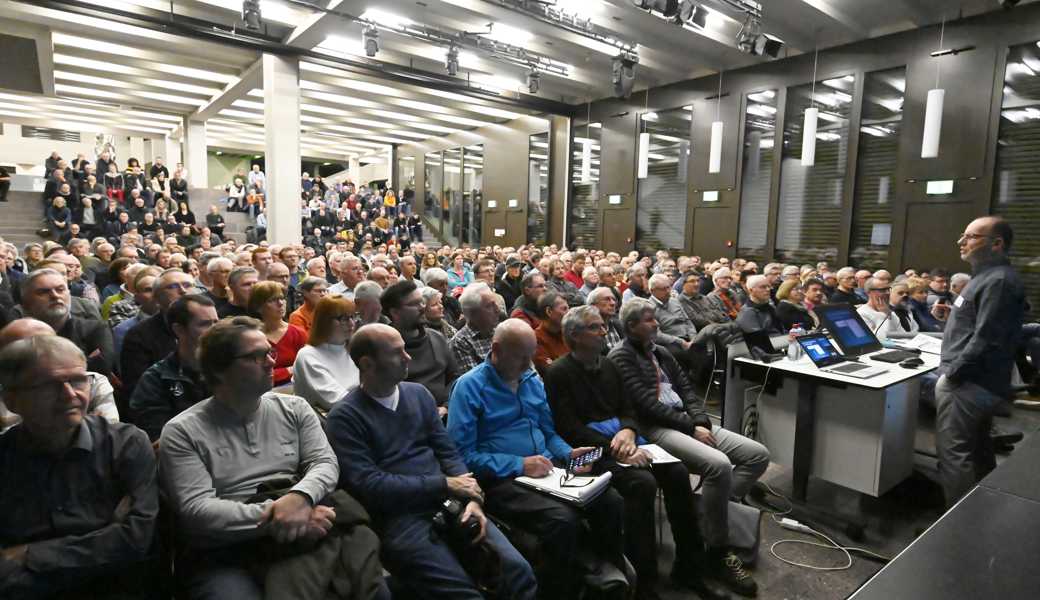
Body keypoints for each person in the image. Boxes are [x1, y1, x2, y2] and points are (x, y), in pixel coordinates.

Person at [159, 317, 387, 600]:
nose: (270, 362)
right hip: (229, 548)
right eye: (255, 357)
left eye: (269, 352)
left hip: (308, 522)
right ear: (219, 369)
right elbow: (198, 511)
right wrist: (286, 516)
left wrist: (300, 498)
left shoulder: (294, 407)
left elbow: (324, 464)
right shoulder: (183, 431)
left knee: (370, 588)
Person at [326, 323, 536, 600]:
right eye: (397, 353)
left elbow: (447, 452)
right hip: (401, 518)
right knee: (464, 595)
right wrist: (445, 484)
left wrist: (473, 498)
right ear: (367, 363)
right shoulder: (345, 417)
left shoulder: (418, 394)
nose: (408, 357)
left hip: (451, 503)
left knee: (519, 573)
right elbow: (369, 484)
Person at [544, 306, 727, 600]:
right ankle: (645, 581)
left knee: (678, 472)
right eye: (595, 328)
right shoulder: (558, 372)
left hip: (625, 439)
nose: (604, 331)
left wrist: (628, 432)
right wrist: (616, 448)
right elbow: (567, 427)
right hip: (585, 451)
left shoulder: (608, 365)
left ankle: (689, 569)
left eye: (603, 326)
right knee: (642, 484)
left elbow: (628, 409)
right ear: (575, 336)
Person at [447, 319, 625, 598]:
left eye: (531, 355)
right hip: (502, 478)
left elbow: (547, 431)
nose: (528, 363)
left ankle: (609, 582)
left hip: (546, 468)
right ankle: (558, 591)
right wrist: (519, 464)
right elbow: (463, 456)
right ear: (496, 349)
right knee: (562, 520)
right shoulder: (469, 387)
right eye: (521, 356)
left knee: (610, 501)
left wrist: (567, 453)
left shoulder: (530, 379)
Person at [610, 298, 767, 597]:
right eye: (648, 320)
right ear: (631, 326)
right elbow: (646, 405)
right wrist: (689, 426)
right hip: (656, 428)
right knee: (719, 465)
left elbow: (687, 390)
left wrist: (701, 421)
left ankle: (711, 512)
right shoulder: (621, 357)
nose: (656, 324)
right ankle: (717, 550)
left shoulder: (662, 352)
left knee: (757, 456)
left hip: (687, 421)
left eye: (656, 319)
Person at [0, 335, 158, 598]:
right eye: (48, 385)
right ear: (12, 400)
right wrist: (103, 538)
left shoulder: (126, 444)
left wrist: (30, 553)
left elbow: (135, 539)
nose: (70, 395)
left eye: (78, 380)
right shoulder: (5, 457)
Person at [936, 216, 1025, 506]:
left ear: (996, 244)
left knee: (955, 455)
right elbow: (984, 326)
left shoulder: (998, 281)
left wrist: (953, 374)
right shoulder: (986, 277)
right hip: (976, 381)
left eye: (971, 237)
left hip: (968, 383)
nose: (961, 242)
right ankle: (979, 512)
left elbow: (986, 339)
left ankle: (954, 533)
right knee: (978, 449)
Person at [129, 294, 217, 442]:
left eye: (216, 322)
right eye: (205, 324)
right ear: (179, 330)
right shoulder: (156, 379)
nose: (215, 330)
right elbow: (161, 438)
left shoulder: (231, 369)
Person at [382, 280, 459, 415]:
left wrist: (446, 406)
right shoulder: (383, 345)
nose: (422, 307)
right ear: (395, 312)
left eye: (422, 302)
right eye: (414, 304)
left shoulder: (436, 337)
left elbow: (454, 377)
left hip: (445, 414)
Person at [20, 268, 114, 375]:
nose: (55, 295)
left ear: (69, 294)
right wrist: (83, 363)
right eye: (44, 292)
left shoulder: (96, 329)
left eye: (60, 290)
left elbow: (102, 368)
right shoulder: (18, 333)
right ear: (26, 301)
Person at [120, 268, 194, 399]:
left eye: (187, 285)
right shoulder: (139, 335)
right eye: (172, 287)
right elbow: (138, 389)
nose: (183, 291)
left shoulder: (211, 324)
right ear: (157, 297)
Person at [293, 295, 360, 412]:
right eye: (344, 318)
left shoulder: (355, 348)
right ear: (324, 322)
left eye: (352, 317)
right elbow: (337, 401)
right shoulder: (307, 356)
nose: (351, 323)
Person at [249, 281, 307, 387]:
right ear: (258, 307)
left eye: (282, 298)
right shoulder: (251, 336)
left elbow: (306, 368)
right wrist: (289, 370)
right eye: (272, 300)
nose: (280, 303)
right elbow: (253, 375)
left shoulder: (298, 333)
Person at [450, 283, 499, 374]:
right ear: (473, 313)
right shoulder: (460, 342)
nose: (497, 309)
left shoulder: (500, 332)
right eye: (489, 306)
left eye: (495, 303)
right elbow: (476, 383)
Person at [857, 278, 921, 339]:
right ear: (869, 292)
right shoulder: (862, 313)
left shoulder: (890, 312)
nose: (887, 293)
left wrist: (887, 314)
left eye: (888, 289)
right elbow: (879, 339)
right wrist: (883, 316)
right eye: (882, 290)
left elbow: (903, 335)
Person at [533, 291, 569, 376]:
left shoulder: (569, 333)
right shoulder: (536, 339)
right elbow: (552, 371)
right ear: (549, 311)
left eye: (568, 308)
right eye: (564, 309)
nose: (569, 313)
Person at [587, 286, 626, 351]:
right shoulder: (588, 331)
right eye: (607, 299)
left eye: (614, 299)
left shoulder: (619, 325)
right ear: (593, 305)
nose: (613, 303)